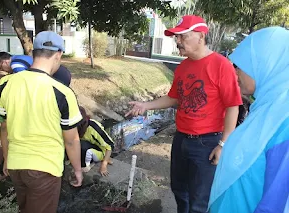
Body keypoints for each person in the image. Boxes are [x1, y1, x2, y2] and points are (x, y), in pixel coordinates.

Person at [126, 15, 242, 213]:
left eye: (182, 36)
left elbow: (233, 105)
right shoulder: (183, 67)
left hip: (207, 143)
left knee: (199, 200)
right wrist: (146, 105)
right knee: (180, 190)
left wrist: (223, 144)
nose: (177, 41)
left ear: (200, 36)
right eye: (176, 37)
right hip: (181, 139)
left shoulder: (221, 65)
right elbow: (174, 98)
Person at [0, 31, 83, 213]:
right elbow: (71, 140)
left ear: (33, 53)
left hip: (16, 165)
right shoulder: (63, 93)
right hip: (45, 169)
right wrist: (77, 169)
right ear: (58, 55)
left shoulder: (5, 84)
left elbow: (4, 127)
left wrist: (6, 159)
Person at [209, 27, 289, 213]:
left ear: (265, 63)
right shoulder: (266, 109)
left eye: (240, 65)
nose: (234, 72)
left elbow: (275, 205)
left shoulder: (284, 124)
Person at [0, 52, 72, 86]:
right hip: (61, 72)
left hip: (57, 76)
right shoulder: (18, 57)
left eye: (1, 67)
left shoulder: (15, 64)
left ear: (4, 62)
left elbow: (24, 80)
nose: (3, 70)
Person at [77, 106, 114, 176]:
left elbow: (110, 145)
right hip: (87, 147)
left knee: (81, 145)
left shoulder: (93, 127)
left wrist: (104, 165)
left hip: (98, 151)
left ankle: (86, 166)